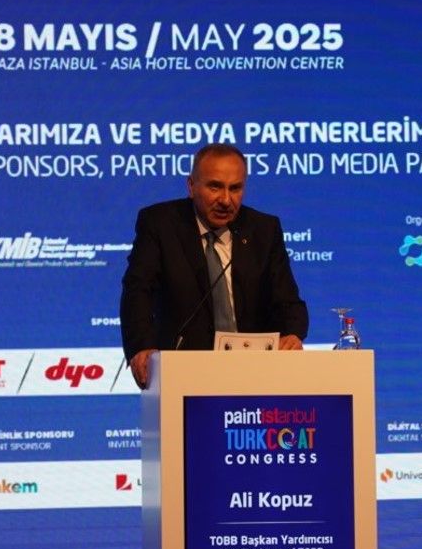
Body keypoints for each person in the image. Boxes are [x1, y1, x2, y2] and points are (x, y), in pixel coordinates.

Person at [120, 143, 308, 388]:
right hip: (183, 372)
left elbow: (288, 301)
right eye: (215, 187)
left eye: (235, 188)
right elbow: (137, 290)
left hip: (254, 373)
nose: (226, 200)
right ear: (191, 186)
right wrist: (142, 346)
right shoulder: (160, 224)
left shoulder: (263, 229)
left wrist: (292, 333)